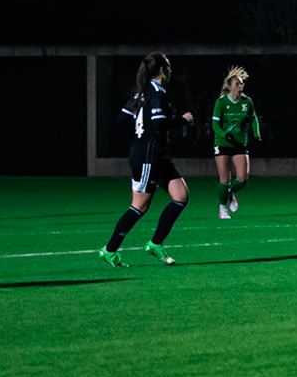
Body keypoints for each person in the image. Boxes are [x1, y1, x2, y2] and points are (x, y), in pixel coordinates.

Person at [99, 52, 195, 266]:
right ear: (162, 70)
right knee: (139, 207)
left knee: (181, 196)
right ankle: (109, 249)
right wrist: (182, 120)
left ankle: (155, 244)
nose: (170, 70)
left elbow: (122, 118)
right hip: (147, 157)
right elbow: (160, 123)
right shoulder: (156, 93)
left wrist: (140, 126)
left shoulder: (140, 93)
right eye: (168, 66)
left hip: (158, 155)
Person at [209, 66, 262, 219]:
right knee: (224, 179)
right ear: (229, 86)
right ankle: (222, 209)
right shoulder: (221, 102)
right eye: (237, 84)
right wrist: (225, 135)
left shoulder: (247, 102)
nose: (240, 86)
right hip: (223, 143)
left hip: (240, 144)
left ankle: (230, 193)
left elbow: (254, 119)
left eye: (241, 84)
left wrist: (257, 135)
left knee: (242, 179)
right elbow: (215, 125)